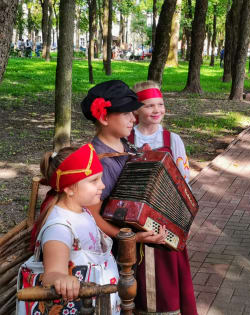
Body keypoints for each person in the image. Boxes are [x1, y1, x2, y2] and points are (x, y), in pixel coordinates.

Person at [80, 80, 198, 315]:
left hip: (143, 245)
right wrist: (132, 237)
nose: (133, 119)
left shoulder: (129, 147)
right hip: (119, 254)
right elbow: (92, 215)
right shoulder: (95, 160)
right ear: (104, 118)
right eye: (126, 113)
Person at [17, 144, 121, 314]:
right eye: (94, 180)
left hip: (97, 302)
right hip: (80, 307)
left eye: (100, 179)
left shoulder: (82, 210)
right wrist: (62, 278)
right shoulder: (59, 227)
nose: (102, 185)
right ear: (69, 188)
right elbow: (52, 272)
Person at [129, 81, 197, 314]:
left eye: (160, 104)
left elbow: (183, 180)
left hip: (166, 218)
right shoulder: (127, 138)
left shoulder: (173, 139)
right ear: (136, 110)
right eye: (149, 105)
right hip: (133, 218)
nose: (157, 110)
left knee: (166, 273)